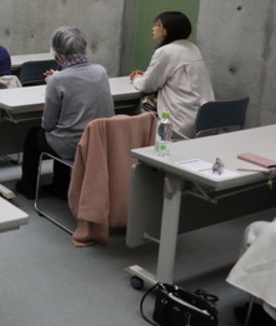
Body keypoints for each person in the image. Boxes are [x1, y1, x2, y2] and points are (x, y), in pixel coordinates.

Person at [14, 26, 113, 200]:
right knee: (63, 132)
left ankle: (28, 187)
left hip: (71, 145)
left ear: (58, 55)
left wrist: (54, 82)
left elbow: (47, 124)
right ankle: (60, 185)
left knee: (35, 135)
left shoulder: (57, 80)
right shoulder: (101, 71)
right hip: (98, 142)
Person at [129, 11, 214, 140]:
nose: (153, 28)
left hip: (178, 123)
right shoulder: (192, 48)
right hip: (202, 120)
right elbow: (176, 77)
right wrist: (147, 75)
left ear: (167, 30)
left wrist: (136, 78)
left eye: (158, 25)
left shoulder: (165, 51)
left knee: (143, 105)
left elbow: (147, 86)